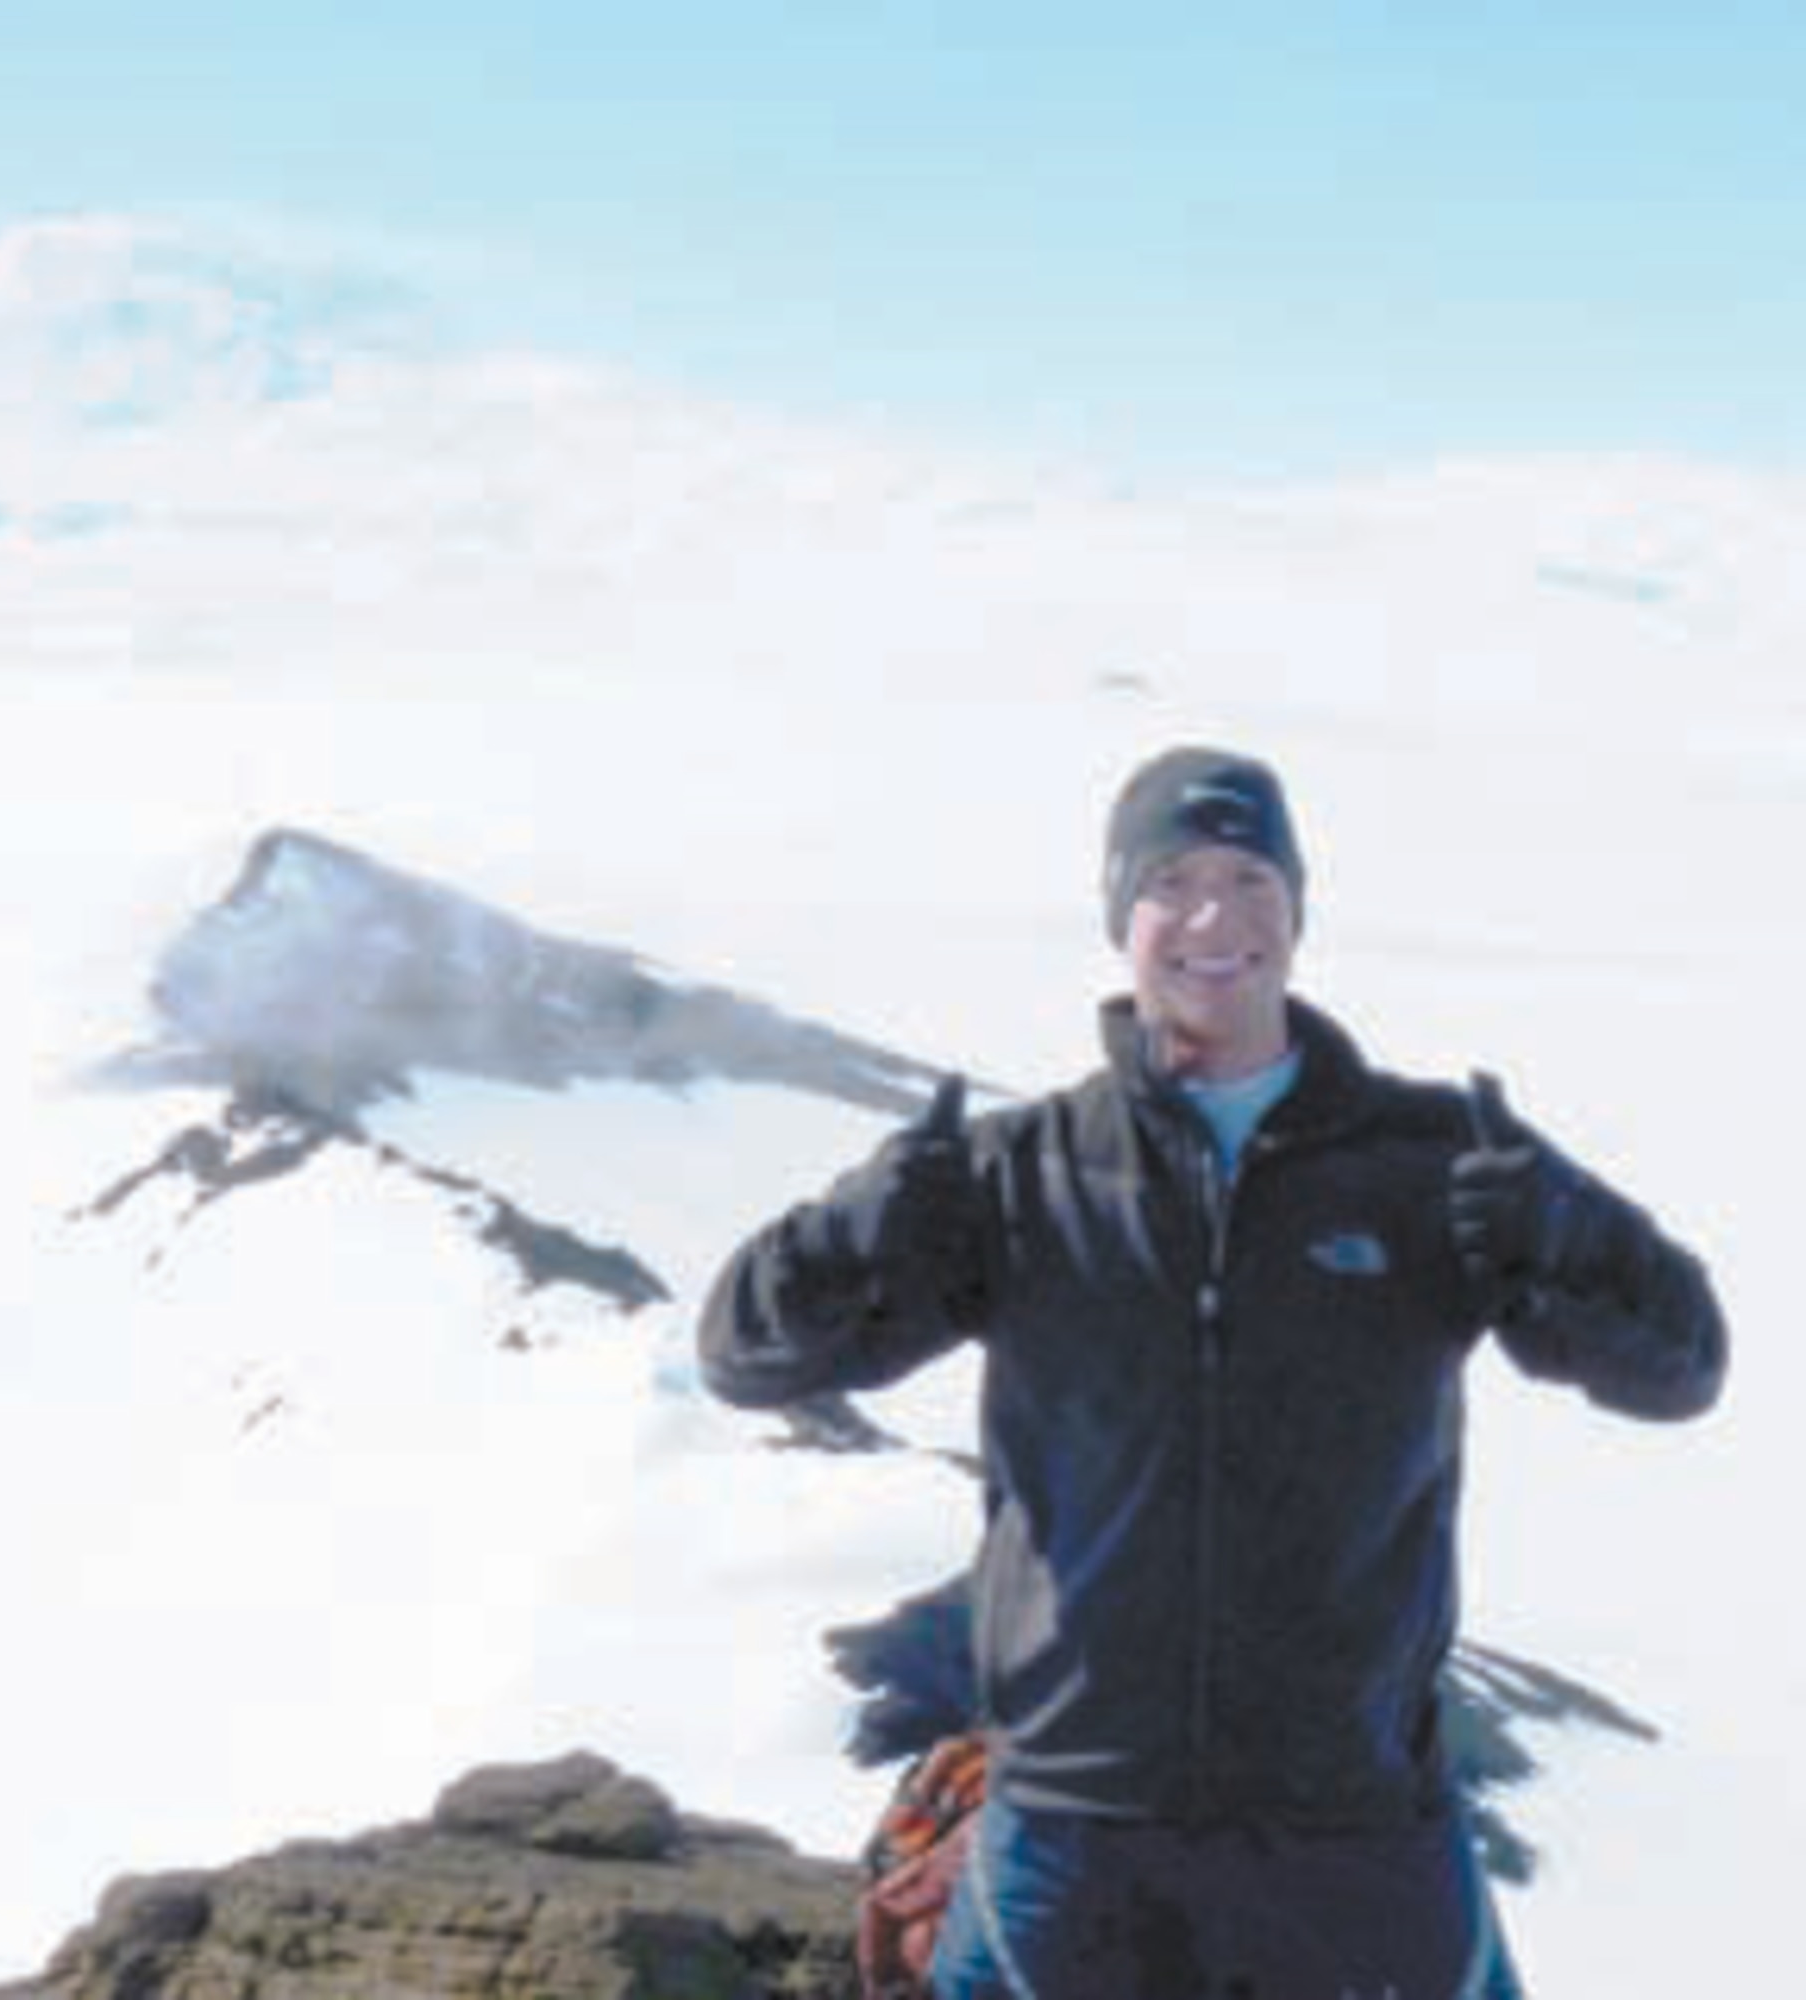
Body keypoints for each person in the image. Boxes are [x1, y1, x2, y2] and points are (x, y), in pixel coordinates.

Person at [698, 746, 1728, 2000]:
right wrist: (860, 1220)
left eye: (1249, 878)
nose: (1213, 919)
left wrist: (1565, 1226)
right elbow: (746, 1355)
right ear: (1118, 917)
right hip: (1078, 1822)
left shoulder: (1433, 1162)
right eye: (1171, 882)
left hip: (1352, 1822)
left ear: (1297, 907)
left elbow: (1681, 1363)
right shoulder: (1019, 1174)